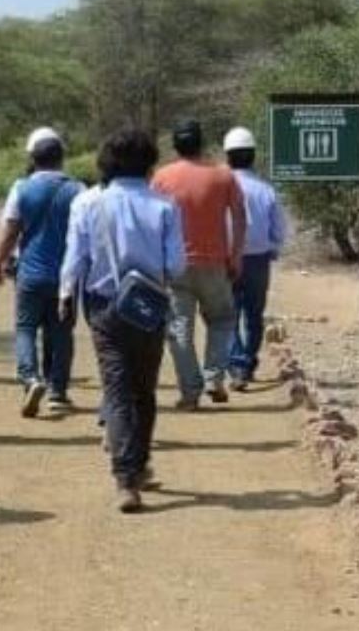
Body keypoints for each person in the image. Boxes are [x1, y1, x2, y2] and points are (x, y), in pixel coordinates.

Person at [60, 129, 186, 514]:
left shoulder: (87, 204)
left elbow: (75, 259)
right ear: (149, 162)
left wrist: (65, 295)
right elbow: (176, 265)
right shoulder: (165, 206)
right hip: (149, 306)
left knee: (116, 390)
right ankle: (140, 463)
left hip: (103, 306)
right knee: (144, 391)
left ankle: (125, 480)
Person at [0, 127, 83, 417]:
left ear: (33, 158)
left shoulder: (21, 188)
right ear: (62, 158)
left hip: (29, 274)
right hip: (66, 276)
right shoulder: (78, 190)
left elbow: (10, 231)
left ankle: (30, 378)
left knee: (26, 328)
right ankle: (57, 392)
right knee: (61, 332)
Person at [152, 119, 246, 410]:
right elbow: (240, 218)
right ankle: (214, 377)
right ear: (201, 143)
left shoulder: (161, 177)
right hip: (215, 263)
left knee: (179, 329)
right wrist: (236, 255)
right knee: (222, 319)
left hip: (175, 266)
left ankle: (190, 391)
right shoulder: (223, 176)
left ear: (175, 146)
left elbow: (153, 221)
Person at [222, 126, 289, 389]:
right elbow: (280, 228)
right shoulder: (266, 190)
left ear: (228, 156)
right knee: (253, 314)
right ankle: (247, 362)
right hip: (258, 260)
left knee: (227, 314)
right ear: (252, 156)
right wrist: (273, 246)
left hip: (226, 258)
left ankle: (237, 363)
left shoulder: (220, 188)